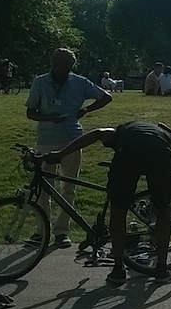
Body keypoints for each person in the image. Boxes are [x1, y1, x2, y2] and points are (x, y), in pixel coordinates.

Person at [44, 121, 171, 284]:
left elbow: (98, 132)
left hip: (128, 152)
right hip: (160, 151)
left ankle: (118, 269)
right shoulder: (155, 132)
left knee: (118, 210)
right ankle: (162, 268)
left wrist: (61, 154)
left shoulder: (119, 132)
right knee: (163, 208)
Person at [25, 48, 113, 247]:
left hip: (73, 139)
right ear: (53, 63)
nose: (64, 68)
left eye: (68, 65)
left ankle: (62, 231)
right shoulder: (40, 82)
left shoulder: (80, 82)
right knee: (43, 187)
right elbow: (30, 112)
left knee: (69, 188)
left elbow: (106, 97)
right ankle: (41, 231)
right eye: (61, 64)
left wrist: (85, 110)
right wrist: (49, 117)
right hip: (47, 139)